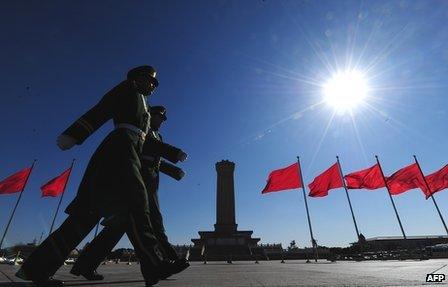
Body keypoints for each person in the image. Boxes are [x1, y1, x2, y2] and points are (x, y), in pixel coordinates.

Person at [16, 66, 175, 287]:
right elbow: (103, 109)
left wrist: (172, 159)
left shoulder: (145, 106)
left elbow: (147, 141)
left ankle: (36, 270)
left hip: (130, 155)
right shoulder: (127, 90)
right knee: (137, 201)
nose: (152, 86)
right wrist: (75, 134)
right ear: (137, 78)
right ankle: (155, 264)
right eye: (150, 81)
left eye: (154, 84)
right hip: (119, 152)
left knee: (86, 217)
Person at [70, 106, 189, 281]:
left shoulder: (159, 136)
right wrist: (174, 153)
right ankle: (166, 260)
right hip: (137, 179)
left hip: (151, 182)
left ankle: (85, 265)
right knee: (151, 220)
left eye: (163, 119)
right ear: (151, 115)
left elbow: (157, 160)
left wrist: (173, 171)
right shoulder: (143, 130)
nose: (161, 121)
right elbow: (146, 149)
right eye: (159, 117)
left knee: (118, 227)